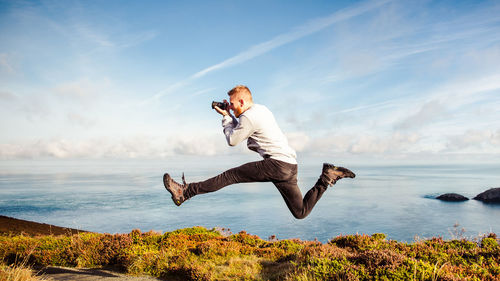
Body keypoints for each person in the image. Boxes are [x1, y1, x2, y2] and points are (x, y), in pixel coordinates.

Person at [163, 85, 355, 219]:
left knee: (230, 176)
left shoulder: (248, 118)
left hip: (276, 164)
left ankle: (184, 192)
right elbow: (246, 126)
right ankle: (327, 177)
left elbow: (233, 140)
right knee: (300, 212)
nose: (230, 106)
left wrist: (225, 118)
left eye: (231, 103)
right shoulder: (260, 110)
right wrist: (230, 114)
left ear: (241, 100)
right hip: (289, 165)